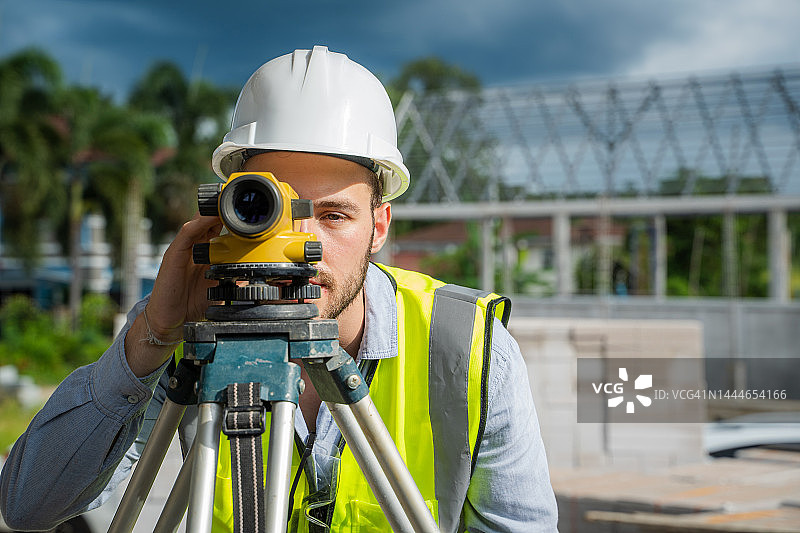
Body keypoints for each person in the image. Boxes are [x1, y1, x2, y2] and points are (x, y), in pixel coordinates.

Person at [0, 46, 558, 532]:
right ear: (230, 206)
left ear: (379, 226)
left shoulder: (466, 348)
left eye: (334, 215)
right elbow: (28, 505)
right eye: (274, 211)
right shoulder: (188, 339)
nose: (303, 243)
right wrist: (150, 339)